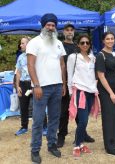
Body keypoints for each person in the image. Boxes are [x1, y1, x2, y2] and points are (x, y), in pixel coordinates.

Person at [27, 13, 66, 163]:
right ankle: (35, 150)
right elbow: (30, 65)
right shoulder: (34, 42)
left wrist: (63, 84)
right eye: (48, 25)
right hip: (41, 87)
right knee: (38, 120)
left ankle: (52, 145)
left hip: (56, 86)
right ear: (43, 26)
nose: (50, 27)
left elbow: (62, 65)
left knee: (54, 118)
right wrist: (36, 85)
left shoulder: (58, 43)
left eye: (53, 25)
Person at [57, 24, 95, 148]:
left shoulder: (77, 46)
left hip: (79, 85)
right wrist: (65, 86)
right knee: (64, 113)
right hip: (64, 83)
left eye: (71, 30)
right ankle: (61, 136)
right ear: (63, 32)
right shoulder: (59, 45)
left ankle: (82, 134)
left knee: (81, 113)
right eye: (67, 30)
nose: (69, 32)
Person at [67, 35, 100, 158]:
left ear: (90, 44)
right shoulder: (73, 57)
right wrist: (71, 92)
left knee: (84, 121)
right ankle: (77, 145)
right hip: (79, 92)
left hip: (91, 92)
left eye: (87, 42)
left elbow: (93, 75)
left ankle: (81, 144)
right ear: (78, 44)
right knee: (83, 121)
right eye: (82, 42)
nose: (85, 44)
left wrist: (95, 88)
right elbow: (69, 75)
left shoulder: (93, 58)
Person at [95, 31, 115, 157]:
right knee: (109, 117)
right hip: (106, 90)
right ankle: (110, 146)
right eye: (108, 39)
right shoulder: (101, 55)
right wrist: (111, 93)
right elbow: (101, 76)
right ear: (103, 41)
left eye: (112, 38)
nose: (110, 41)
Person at [15, 37, 31, 136]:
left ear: (29, 44)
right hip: (23, 84)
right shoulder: (20, 57)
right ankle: (24, 127)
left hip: (34, 84)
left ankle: (44, 127)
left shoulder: (36, 55)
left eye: (22, 43)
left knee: (38, 106)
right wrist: (18, 86)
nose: (20, 45)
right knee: (23, 107)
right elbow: (18, 72)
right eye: (20, 43)